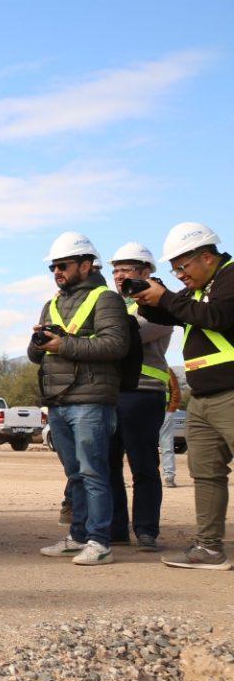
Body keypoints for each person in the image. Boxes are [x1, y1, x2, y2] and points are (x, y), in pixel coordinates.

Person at [132, 222, 234, 570]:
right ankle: (208, 548)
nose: (178, 275)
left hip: (231, 394)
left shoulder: (230, 279)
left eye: (182, 266)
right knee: (205, 473)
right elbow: (179, 313)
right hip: (202, 399)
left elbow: (217, 317)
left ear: (207, 257)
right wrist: (147, 302)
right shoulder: (198, 290)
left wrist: (168, 298)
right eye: (173, 269)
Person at [29, 231, 131, 567]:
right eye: (53, 267)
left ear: (86, 265)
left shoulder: (106, 299)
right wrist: (38, 342)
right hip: (58, 402)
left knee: (93, 472)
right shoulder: (52, 304)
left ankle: (100, 541)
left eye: (64, 265)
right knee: (75, 474)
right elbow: (36, 356)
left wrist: (63, 344)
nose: (57, 271)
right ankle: (77, 536)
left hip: (91, 401)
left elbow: (115, 346)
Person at [108, 242, 171, 552]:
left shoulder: (159, 304)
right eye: (116, 270)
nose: (119, 276)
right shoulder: (116, 306)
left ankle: (146, 530)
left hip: (144, 394)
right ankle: (116, 529)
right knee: (108, 465)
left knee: (143, 464)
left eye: (127, 270)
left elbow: (126, 338)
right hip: (112, 393)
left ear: (147, 272)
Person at [161, 372, 182, 487]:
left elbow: (176, 391)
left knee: (167, 445)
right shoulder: (166, 369)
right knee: (166, 446)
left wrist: (171, 409)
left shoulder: (167, 370)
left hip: (165, 414)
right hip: (148, 413)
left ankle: (169, 477)